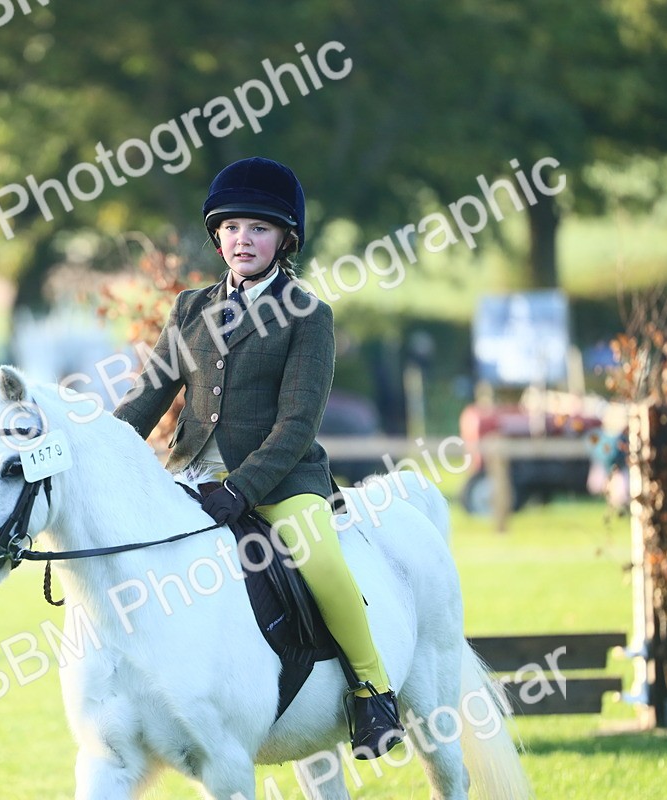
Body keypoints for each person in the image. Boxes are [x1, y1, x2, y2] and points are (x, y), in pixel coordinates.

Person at [112, 157, 402, 759]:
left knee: (322, 561)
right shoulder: (190, 309)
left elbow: (297, 424)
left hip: (279, 481)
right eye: (233, 228)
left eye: (259, 229)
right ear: (217, 235)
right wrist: (103, 450)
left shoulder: (308, 314)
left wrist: (244, 489)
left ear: (285, 239)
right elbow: (149, 396)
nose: (243, 239)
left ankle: (372, 690)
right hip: (191, 475)